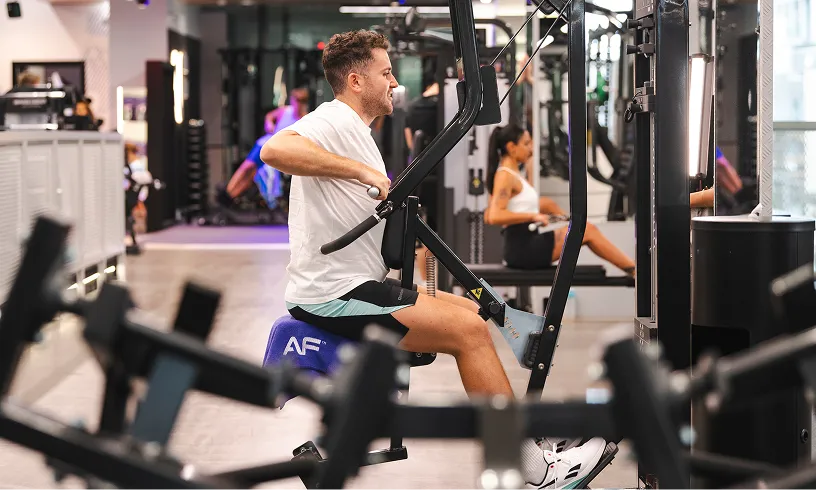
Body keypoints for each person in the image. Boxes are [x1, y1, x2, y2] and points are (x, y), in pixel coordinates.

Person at [260, 29, 608, 490]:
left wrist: (424, 276)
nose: (394, 83)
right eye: (385, 73)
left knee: (474, 311)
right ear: (356, 81)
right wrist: (364, 172)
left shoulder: (356, 131)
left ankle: (533, 435)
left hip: (358, 282)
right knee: (469, 334)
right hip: (332, 293)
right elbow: (275, 150)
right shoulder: (335, 120)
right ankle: (531, 468)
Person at [484, 124, 636, 277]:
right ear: (511, 147)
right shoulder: (505, 176)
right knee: (587, 231)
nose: (531, 148)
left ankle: (633, 269)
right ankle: (635, 270)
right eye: (526, 143)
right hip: (522, 249)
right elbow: (493, 216)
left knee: (555, 209)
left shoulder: (512, 174)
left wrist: (557, 214)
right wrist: (533, 216)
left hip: (524, 243)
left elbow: (523, 206)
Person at [217, 87, 310, 209]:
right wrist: (270, 124)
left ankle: (232, 196)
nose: (297, 103)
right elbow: (269, 116)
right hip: (266, 144)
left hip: (281, 151)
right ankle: (228, 192)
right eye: (296, 100)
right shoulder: (284, 111)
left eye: (301, 101)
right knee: (247, 167)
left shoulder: (305, 118)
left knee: (255, 174)